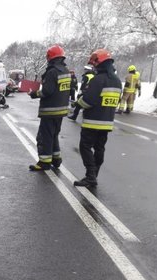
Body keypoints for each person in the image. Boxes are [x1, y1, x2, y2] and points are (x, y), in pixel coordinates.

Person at [72, 49, 122, 187]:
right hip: (107, 123)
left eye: (94, 64)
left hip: (92, 122)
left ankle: (90, 176)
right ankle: (94, 175)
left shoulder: (97, 80)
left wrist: (78, 103)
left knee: (85, 147)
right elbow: (117, 101)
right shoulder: (117, 81)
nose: (93, 67)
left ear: (98, 63)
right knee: (100, 149)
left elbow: (88, 101)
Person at [27, 45, 71, 171]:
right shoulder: (65, 71)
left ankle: (44, 162)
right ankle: (56, 159)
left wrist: (34, 93)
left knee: (44, 137)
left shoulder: (52, 72)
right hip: (61, 111)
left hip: (50, 110)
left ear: (50, 57)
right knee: (54, 135)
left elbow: (47, 91)